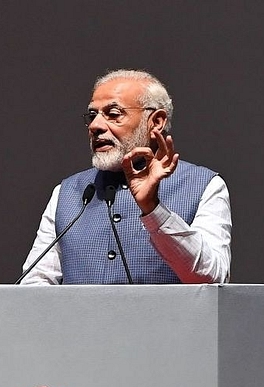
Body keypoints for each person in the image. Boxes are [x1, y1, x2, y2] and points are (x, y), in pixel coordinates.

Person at [20, 69, 231, 284]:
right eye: (92, 116)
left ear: (156, 122)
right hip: (79, 319)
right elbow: (35, 283)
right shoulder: (68, 192)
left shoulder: (204, 186)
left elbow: (212, 277)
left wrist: (153, 210)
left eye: (113, 114)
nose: (95, 126)